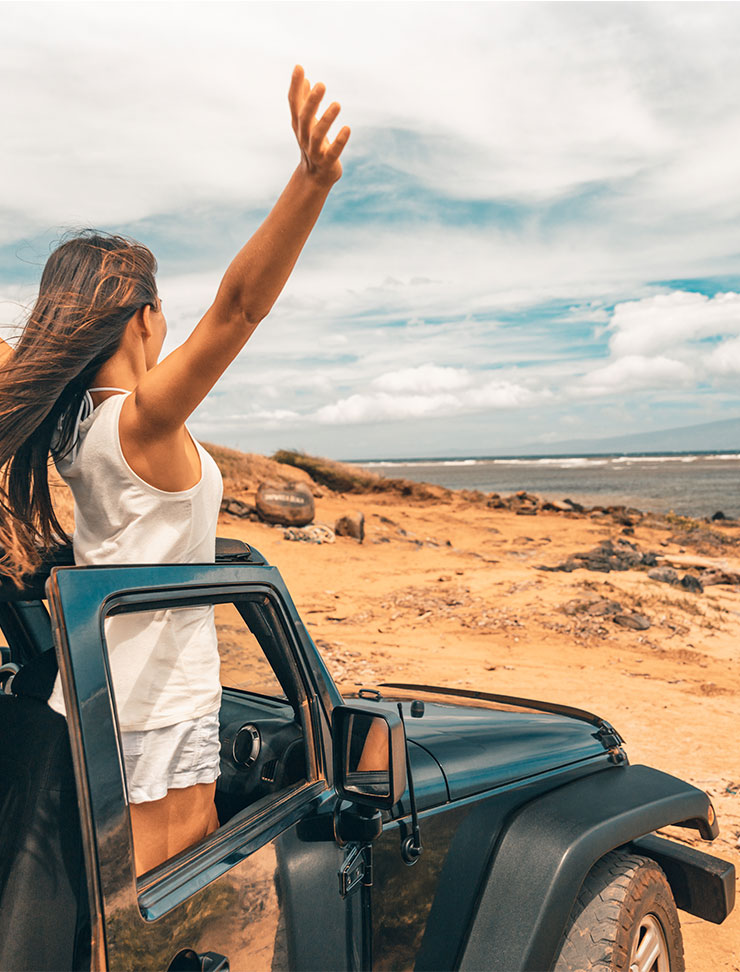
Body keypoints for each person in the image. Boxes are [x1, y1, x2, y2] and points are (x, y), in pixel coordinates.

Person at [0, 65, 350, 875]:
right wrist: (310, 183)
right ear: (146, 318)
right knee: (151, 927)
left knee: (98, 909)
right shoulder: (139, 422)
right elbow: (239, 307)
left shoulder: (70, 427)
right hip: (153, 709)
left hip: (86, 696)